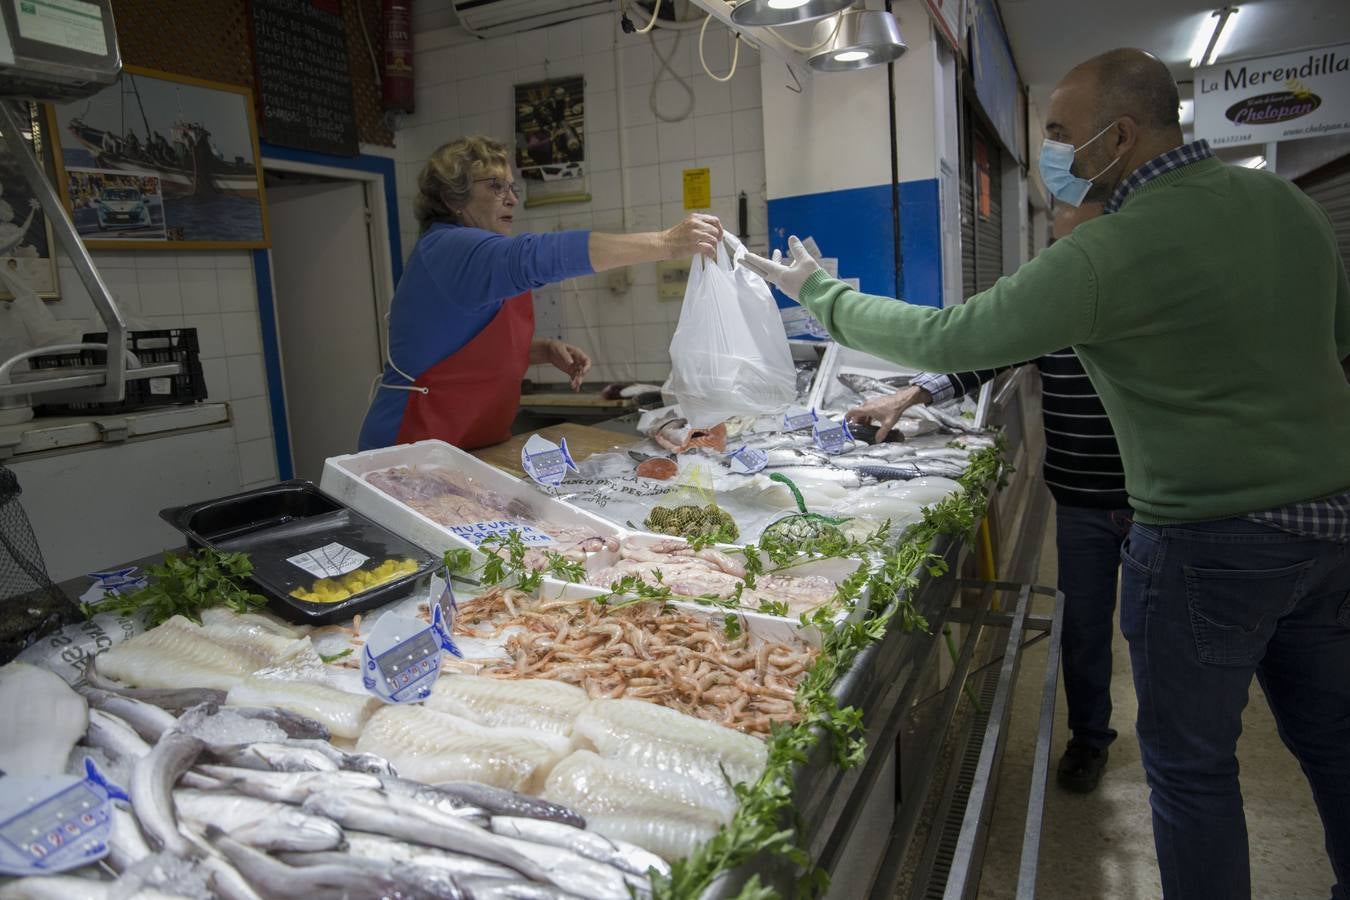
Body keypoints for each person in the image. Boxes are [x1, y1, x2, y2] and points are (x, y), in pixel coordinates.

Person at [744, 48, 1350, 900]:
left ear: (1122, 135)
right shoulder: (1289, 207)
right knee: (1335, 745)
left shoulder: (1112, 250)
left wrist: (822, 294)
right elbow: (1336, 338)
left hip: (1206, 543)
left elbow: (951, 337)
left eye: (1063, 134)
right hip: (1331, 529)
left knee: (1194, 773)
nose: (1053, 157)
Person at [847, 200, 1128, 794]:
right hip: (1080, 499)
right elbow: (983, 353)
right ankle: (1090, 738)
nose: (1061, 243)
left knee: (1164, 637)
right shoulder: (1053, 300)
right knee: (1083, 625)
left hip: (1163, 502)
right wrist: (911, 395)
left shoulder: (1144, 291)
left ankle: (1178, 746)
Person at [359, 135, 722, 452]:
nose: (512, 199)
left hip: (467, 445)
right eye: (495, 186)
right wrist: (665, 242)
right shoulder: (447, 248)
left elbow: (452, 349)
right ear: (455, 198)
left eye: (512, 187)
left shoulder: (482, 254)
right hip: (412, 443)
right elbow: (536, 257)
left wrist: (540, 351)